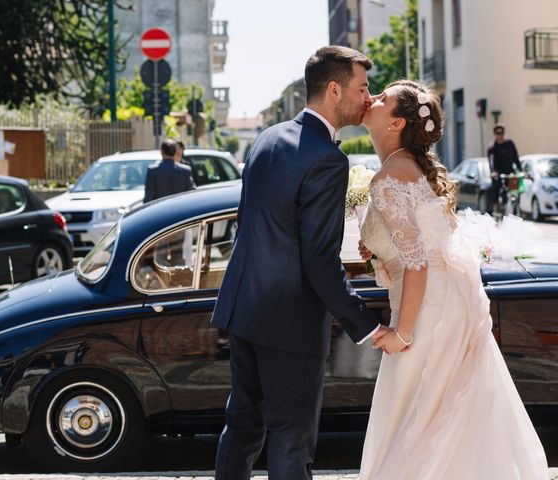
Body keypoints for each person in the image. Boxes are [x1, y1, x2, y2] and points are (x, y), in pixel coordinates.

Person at [210, 46, 391, 480]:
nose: (368, 98)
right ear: (334, 90)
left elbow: (256, 227)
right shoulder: (328, 159)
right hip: (289, 322)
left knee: (242, 428)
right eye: (362, 88)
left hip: (244, 309)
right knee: (291, 443)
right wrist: (366, 324)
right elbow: (318, 258)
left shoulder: (267, 138)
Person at [358, 80, 548, 479]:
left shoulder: (390, 177)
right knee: (450, 411)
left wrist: (403, 333)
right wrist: (379, 251)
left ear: (396, 123)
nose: (372, 98)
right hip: (448, 301)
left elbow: (419, 263)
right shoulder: (407, 167)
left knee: (418, 413)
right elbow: (425, 246)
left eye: (383, 99)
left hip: (427, 310)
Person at [143, 138, 195, 203]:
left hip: (160, 211)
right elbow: (192, 194)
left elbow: (148, 198)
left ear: (162, 152)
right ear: (175, 152)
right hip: (182, 210)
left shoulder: (153, 170)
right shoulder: (186, 170)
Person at [487, 124, 522, 214]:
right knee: (497, 190)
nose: (500, 135)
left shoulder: (510, 143)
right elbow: (491, 161)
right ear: (495, 134)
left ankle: (515, 209)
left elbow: (516, 158)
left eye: (502, 133)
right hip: (498, 175)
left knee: (515, 192)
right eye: (498, 133)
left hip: (510, 173)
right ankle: (496, 209)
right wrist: (493, 172)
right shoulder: (492, 147)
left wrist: (521, 171)